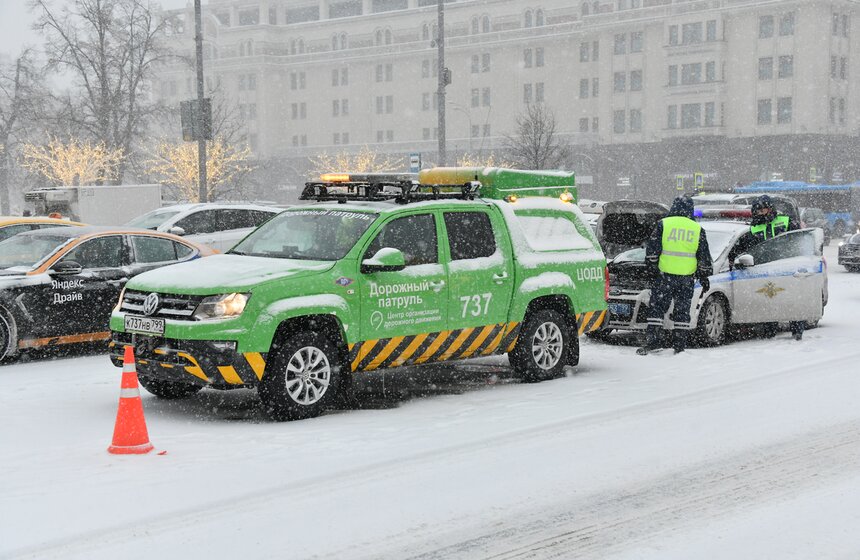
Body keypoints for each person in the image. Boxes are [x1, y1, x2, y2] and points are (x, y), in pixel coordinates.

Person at [637, 195, 713, 355]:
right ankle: (679, 346)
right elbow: (704, 256)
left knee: (657, 309)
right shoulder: (697, 229)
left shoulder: (664, 224)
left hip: (665, 276)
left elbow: (652, 250)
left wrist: (651, 269)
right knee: (682, 311)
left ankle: (654, 342)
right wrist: (704, 275)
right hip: (686, 278)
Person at [729, 195, 805, 340]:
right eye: (759, 210)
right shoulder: (752, 229)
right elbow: (743, 249)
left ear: (771, 208)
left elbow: (798, 241)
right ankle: (769, 330)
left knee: (791, 299)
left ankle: (797, 330)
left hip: (786, 268)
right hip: (765, 270)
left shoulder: (786, 221)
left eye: (765, 209)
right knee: (769, 299)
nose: (762, 212)